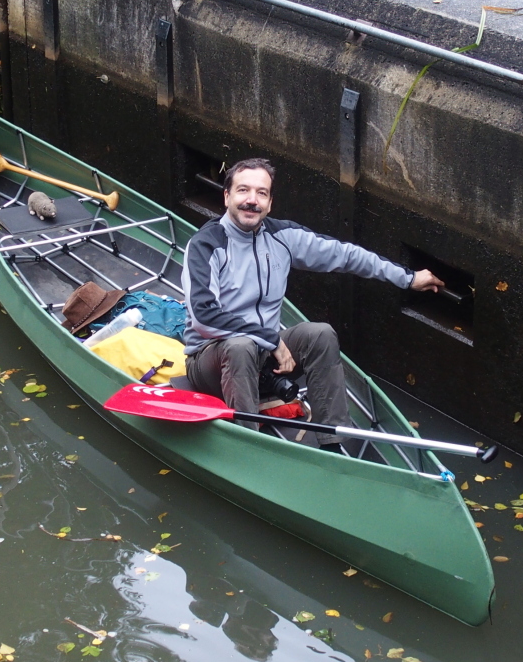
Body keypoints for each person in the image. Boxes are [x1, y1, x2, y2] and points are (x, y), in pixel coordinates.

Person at [182, 157, 444, 453]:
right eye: (243, 190)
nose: (252, 200)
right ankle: (249, 449)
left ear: (270, 203)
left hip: (265, 359)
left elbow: (346, 255)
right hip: (212, 363)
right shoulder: (205, 245)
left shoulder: (282, 237)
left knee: (320, 334)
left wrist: (408, 278)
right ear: (227, 196)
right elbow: (204, 316)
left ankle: (333, 445)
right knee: (240, 346)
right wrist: (270, 339)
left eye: (261, 193)